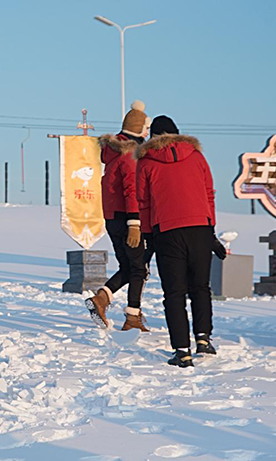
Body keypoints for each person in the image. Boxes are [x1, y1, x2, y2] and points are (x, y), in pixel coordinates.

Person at [136, 115, 226, 367]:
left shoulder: (146, 162)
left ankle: (182, 351)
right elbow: (209, 194)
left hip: (167, 231)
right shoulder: (196, 156)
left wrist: (148, 236)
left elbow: (143, 202)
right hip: (200, 228)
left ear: (152, 137)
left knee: (174, 292)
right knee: (200, 287)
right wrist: (210, 230)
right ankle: (203, 339)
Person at [85, 101, 152, 331]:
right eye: (146, 128)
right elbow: (132, 190)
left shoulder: (113, 154)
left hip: (112, 218)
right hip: (128, 218)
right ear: (139, 129)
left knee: (128, 266)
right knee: (139, 269)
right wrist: (135, 223)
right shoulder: (131, 154)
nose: (148, 133)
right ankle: (132, 317)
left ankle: (102, 298)